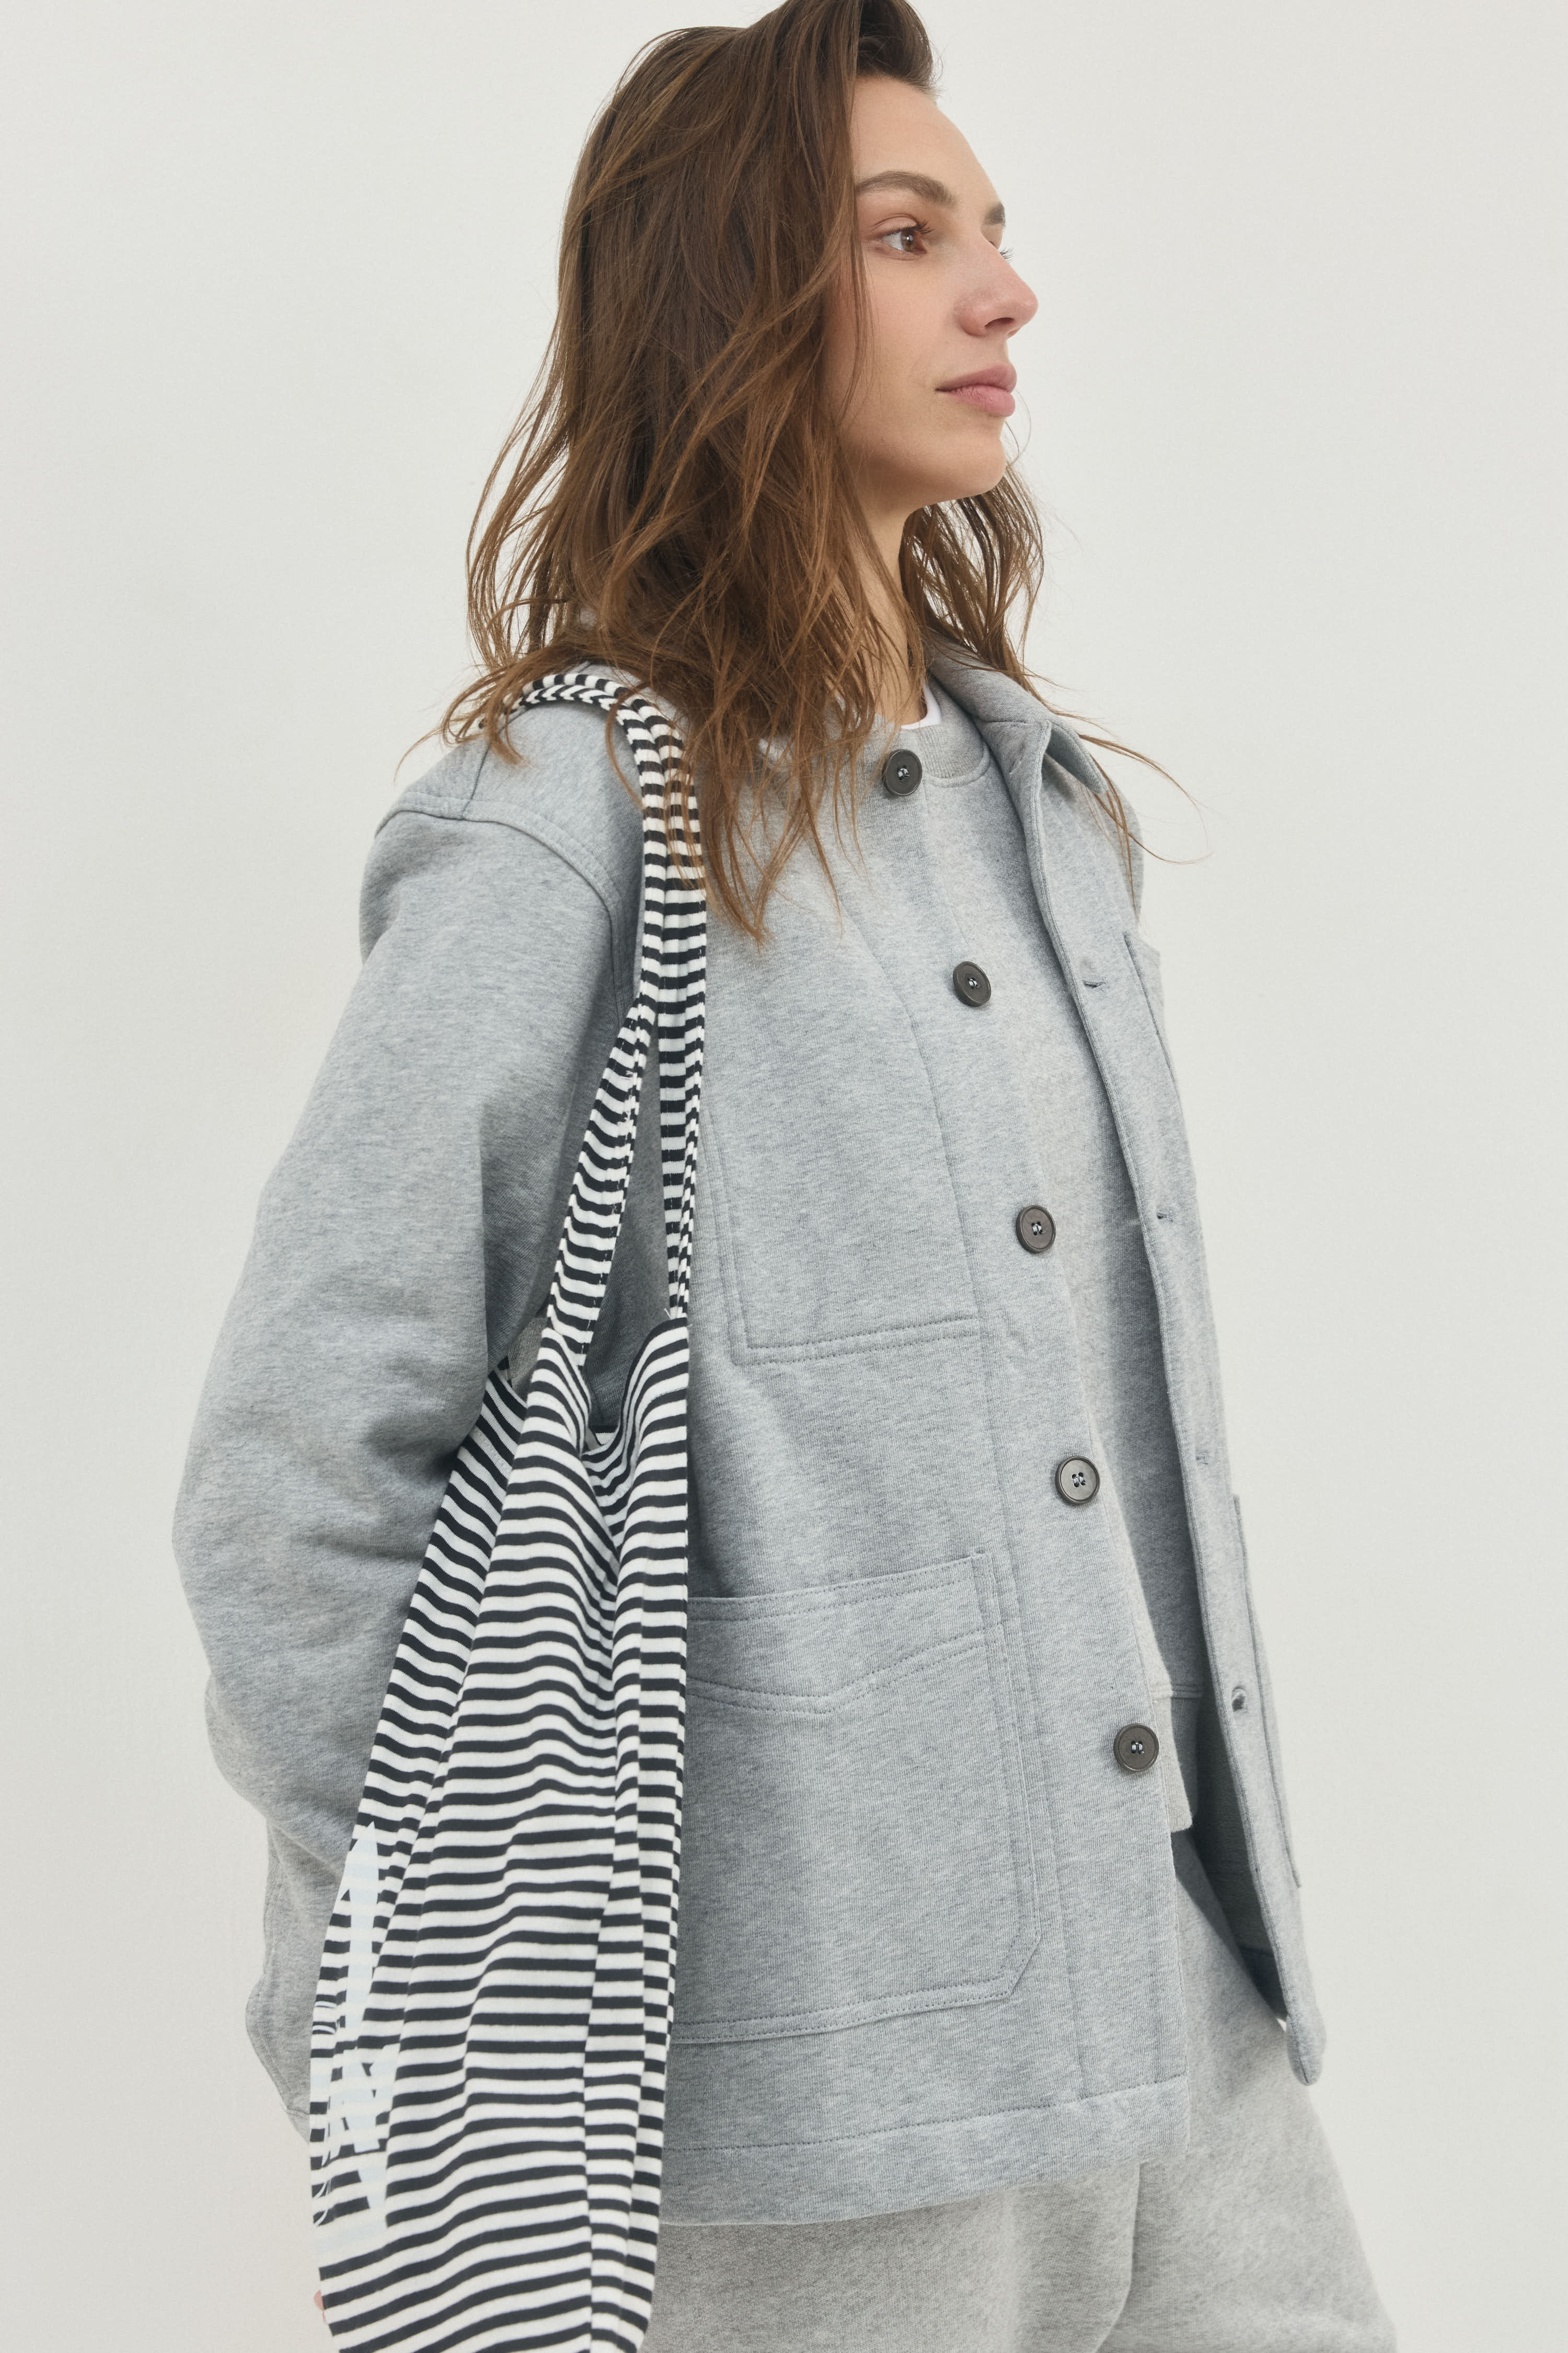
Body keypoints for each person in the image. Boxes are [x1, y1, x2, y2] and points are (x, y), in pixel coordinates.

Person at [174, 2, 1396, 2344]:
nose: (1006, 290)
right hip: (807, 2095)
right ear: (732, 293)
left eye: (993, 230)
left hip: (1180, 1995)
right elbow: (291, 1473)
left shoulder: (1046, 813)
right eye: (908, 236)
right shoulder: (568, 820)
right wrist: (493, 1929)